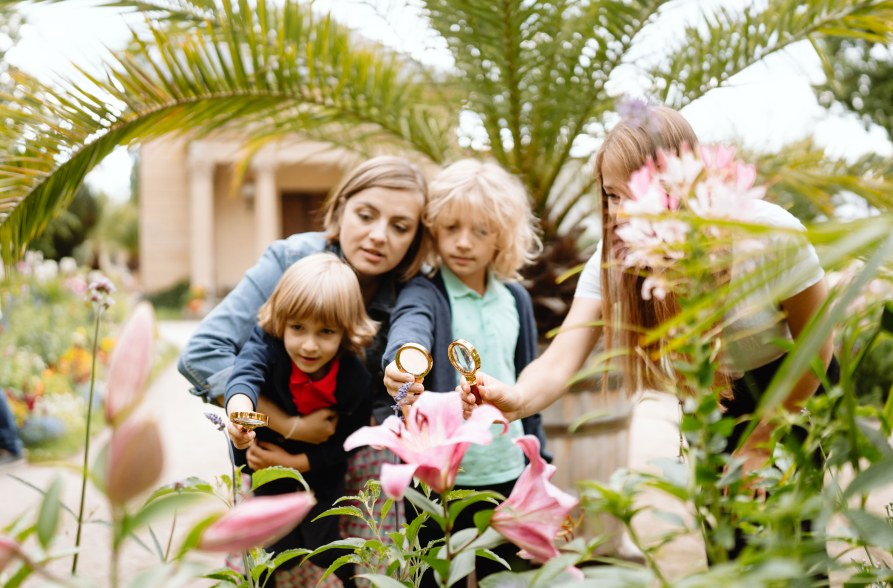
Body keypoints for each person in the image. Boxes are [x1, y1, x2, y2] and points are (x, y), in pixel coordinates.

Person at [458, 106, 838, 558]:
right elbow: (560, 362)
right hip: (711, 392)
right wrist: (514, 399)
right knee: (729, 544)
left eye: (639, 192)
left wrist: (760, 442)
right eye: (612, 196)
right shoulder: (614, 256)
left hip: (794, 384)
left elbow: (817, 346)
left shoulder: (767, 232)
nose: (622, 214)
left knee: (796, 544)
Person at [178, 155, 431, 584]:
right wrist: (291, 426)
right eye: (366, 215)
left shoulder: (412, 286)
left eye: (400, 227)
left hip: (351, 465)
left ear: (415, 237)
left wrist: (404, 366)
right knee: (276, 566)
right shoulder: (291, 260)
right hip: (273, 463)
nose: (378, 235)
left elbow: (410, 338)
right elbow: (203, 354)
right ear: (340, 209)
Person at [381, 159, 549, 585]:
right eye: (451, 227)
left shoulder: (516, 299)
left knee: (506, 578)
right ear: (433, 228)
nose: (463, 243)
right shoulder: (425, 290)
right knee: (438, 579)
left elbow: (527, 384)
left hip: (507, 472)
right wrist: (406, 359)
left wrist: (538, 461)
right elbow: (410, 325)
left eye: (481, 231)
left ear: (503, 237)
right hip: (439, 482)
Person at [225, 253, 377, 586]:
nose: (309, 345)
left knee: (328, 545)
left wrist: (299, 461)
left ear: (346, 331)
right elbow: (244, 374)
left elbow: (350, 440)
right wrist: (239, 415)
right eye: (297, 328)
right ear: (281, 321)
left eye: (325, 331)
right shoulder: (268, 345)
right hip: (266, 468)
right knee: (269, 550)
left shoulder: (355, 378)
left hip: (321, 473)